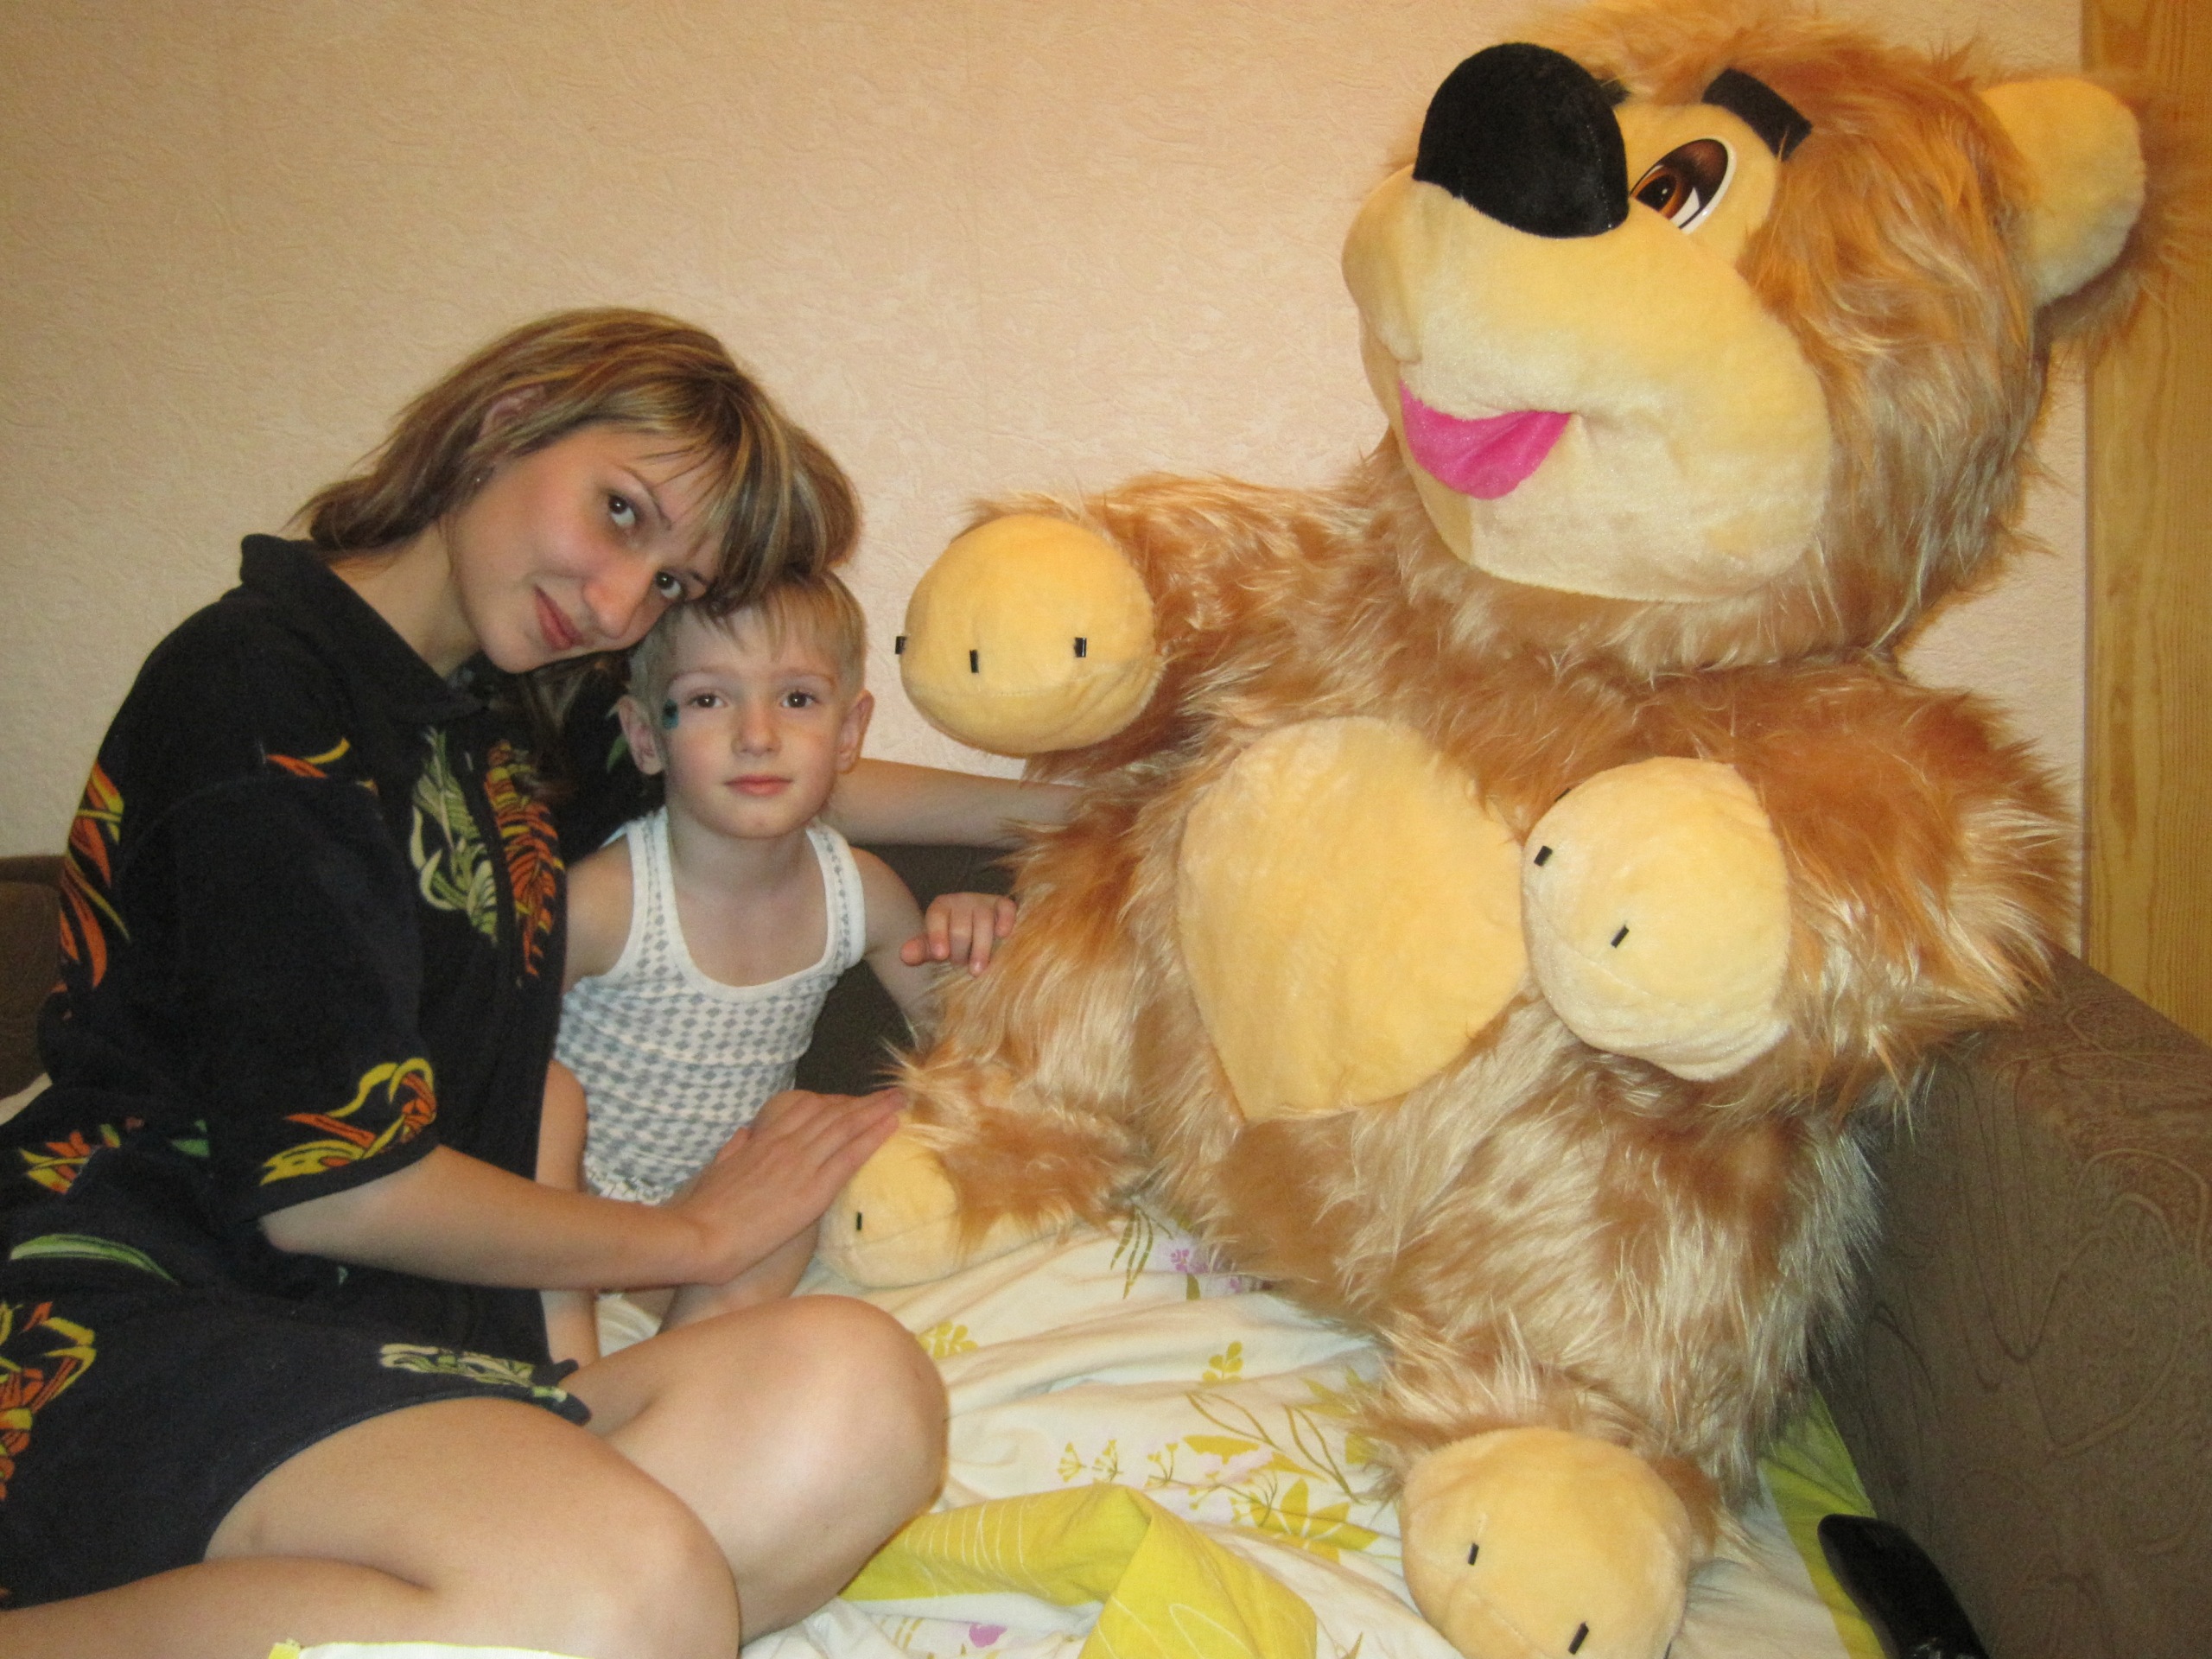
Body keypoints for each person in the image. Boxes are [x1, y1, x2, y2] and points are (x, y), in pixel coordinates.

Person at [0, 308, 1066, 1659]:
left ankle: (445, 1606)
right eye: (621, 513)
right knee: (625, 1590)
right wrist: (693, 1237)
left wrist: (1078, 810)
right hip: (148, 1313)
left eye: (669, 583)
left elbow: (764, 773)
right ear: (509, 420)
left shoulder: (504, 716)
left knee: (858, 1405)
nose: (619, 605)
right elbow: (333, 1189)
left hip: (417, 1355)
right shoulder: (261, 689)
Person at [542, 573, 1018, 1362]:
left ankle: (680, 1372)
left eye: (797, 699)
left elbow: (965, 1050)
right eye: (707, 700)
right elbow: (488, 1071)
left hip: (721, 1222)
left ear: (849, 732)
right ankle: (571, 1373)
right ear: (646, 737)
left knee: (802, 1134)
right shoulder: (603, 901)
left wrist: (971, 938)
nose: (757, 735)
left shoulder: (858, 891)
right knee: (542, 1101)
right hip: (568, 1231)